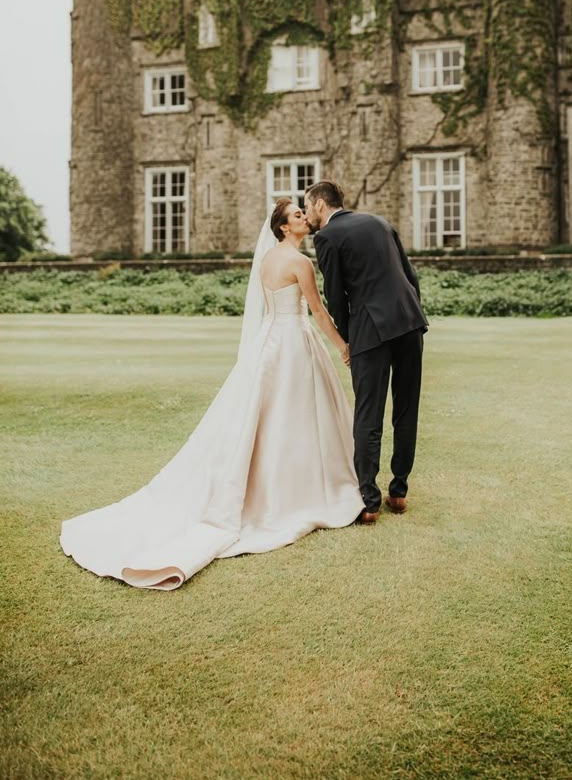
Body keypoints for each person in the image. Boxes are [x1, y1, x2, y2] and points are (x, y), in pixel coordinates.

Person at [60, 199, 364, 590]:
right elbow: (318, 313)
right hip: (292, 342)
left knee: (269, 416)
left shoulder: (267, 260)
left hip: (269, 345)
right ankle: (298, 490)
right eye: (298, 216)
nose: (306, 218)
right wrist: (343, 346)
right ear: (285, 228)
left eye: (304, 213)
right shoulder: (301, 263)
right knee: (297, 415)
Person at [304, 181, 427, 524]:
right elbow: (409, 276)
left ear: (319, 204)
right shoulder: (380, 223)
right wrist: (413, 313)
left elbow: (336, 296)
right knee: (406, 409)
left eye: (307, 206)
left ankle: (370, 502)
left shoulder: (326, 238)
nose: (308, 215)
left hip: (370, 332)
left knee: (368, 415)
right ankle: (399, 492)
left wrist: (347, 341)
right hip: (409, 323)